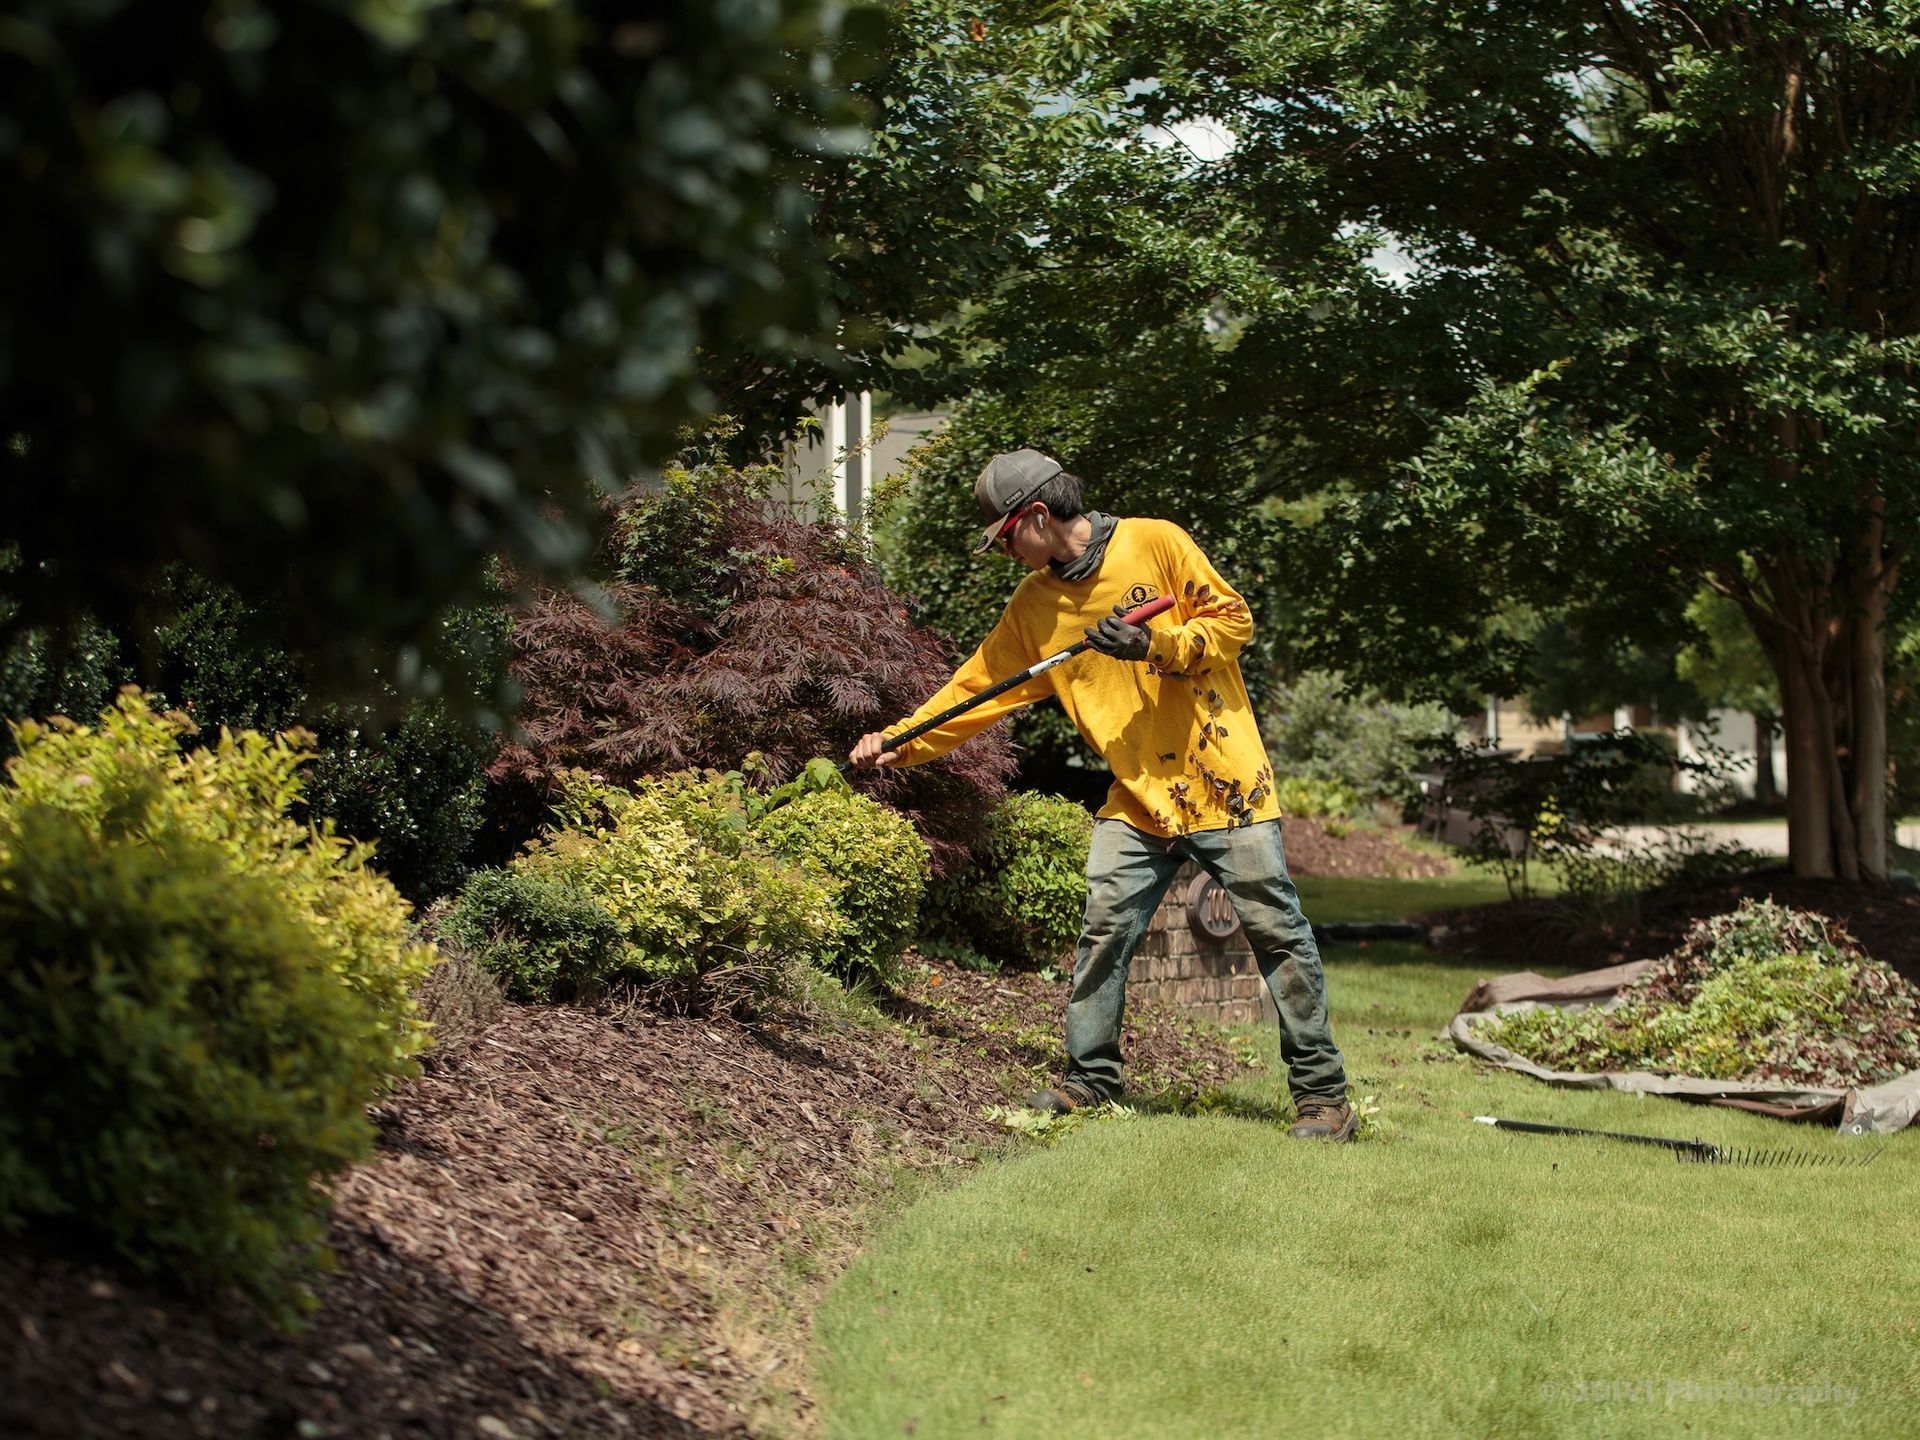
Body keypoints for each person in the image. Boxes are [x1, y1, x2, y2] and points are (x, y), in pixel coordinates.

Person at [850, 448, 1355, 1141]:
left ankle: (1324, 1100)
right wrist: (900, 740)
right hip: (1139, 798)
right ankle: (1091, 1080)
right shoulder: (1035, 606)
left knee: (1279, 935)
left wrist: (1155, 644)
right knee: (1104, 932)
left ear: (1034, 516)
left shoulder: (1157, 541)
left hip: (1224, 784)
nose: (1003, 552)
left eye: (1004, 536)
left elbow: (1234, 623)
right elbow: (976, 689)